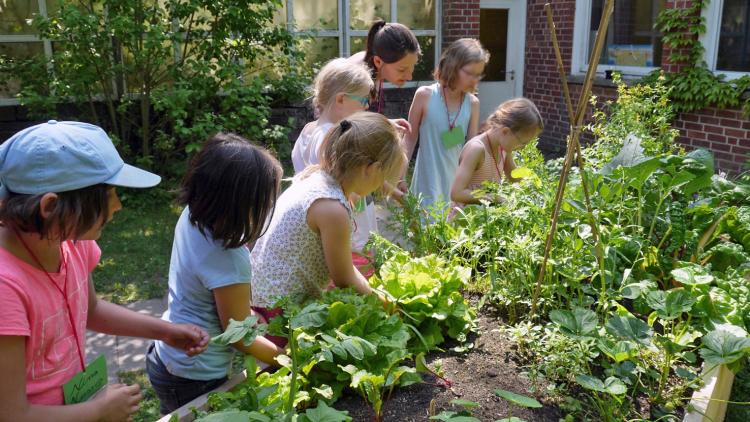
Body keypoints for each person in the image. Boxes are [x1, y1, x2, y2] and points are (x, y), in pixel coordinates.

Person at [0, 121, 209, 422]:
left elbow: (91, 309)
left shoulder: (68, 240)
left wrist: (165, 332)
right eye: (108, 194)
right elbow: (10, 414)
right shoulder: (7, 286)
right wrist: (97, 411)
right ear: (50, 206)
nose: (118, 205)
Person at [146, 133, 286, 414]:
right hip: (195, 375)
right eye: (264, 201)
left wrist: (245, 313)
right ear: (237, 203)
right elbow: (238, 336)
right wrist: (285, 359)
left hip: (168, 357)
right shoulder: (228, 256)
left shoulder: (193, 215)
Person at [250, 112, 405, 310]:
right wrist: (389, 307)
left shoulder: (316, 177)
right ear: (371, 168)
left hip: (262, 297)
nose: (380, 185)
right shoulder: (333, 207)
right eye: (385, 175)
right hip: (279, 313)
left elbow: (345, 268)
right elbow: (344, 278)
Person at [291, 59, 379, 276]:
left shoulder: (310, 131)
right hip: (350, 239)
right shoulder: (332, 140)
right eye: (363, 100)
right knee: (354, 296)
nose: (367, 106)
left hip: (338, 235)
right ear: (341, 99)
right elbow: (344, 193)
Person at [403, 38, 488, 210]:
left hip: (455, 187)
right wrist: (400, 176)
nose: (474, 79)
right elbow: (409, 139)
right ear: (453, 66)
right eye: (469, 73)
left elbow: (471, 148)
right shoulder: (424, 95)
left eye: (478, 74)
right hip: (426, 183)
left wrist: (468, 191)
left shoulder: (472, 103)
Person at [450, 98, 544, 205]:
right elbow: (456, 193)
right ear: (505, 131)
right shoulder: (477, 149)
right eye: (522, 142)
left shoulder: (503, 149)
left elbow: (516, 178)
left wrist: (535, 189)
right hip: (464, 218)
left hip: (484, 216)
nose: (522, 148)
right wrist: (493, 198)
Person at [350, 20, 421, 134]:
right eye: (402, 69)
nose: (409, 77)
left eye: (412, 67)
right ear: (378, 61)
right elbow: (345, 124)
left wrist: (386, 123)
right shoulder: (357, 74)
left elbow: (359, 119)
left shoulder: (375, 69)